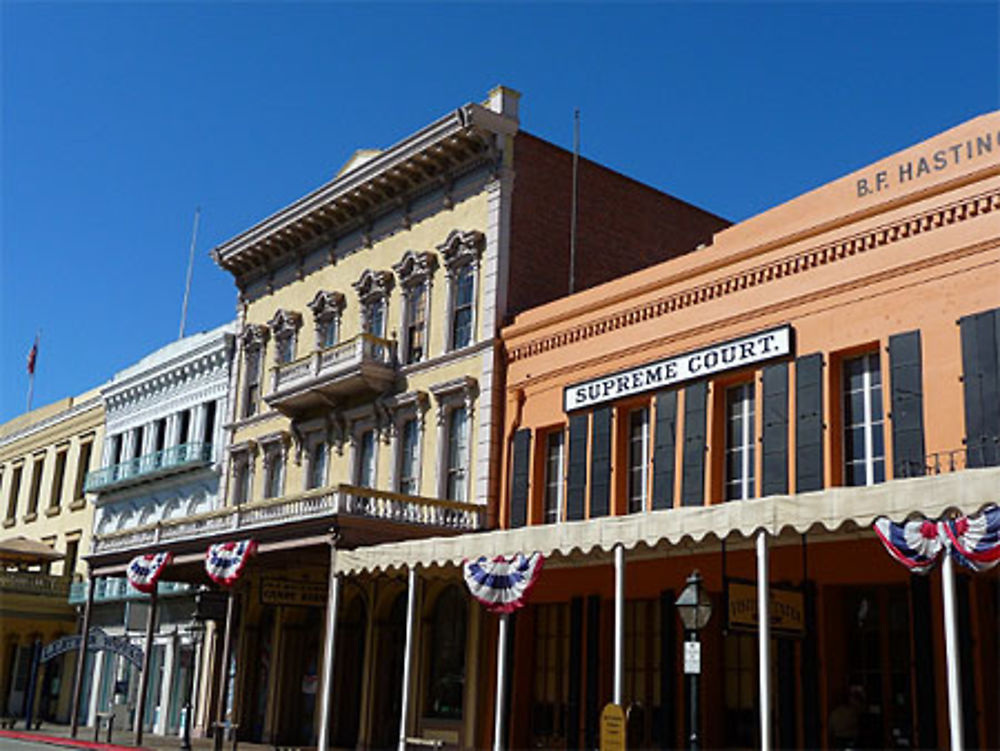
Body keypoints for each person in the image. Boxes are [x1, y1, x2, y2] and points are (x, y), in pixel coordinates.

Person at [829, 685, 865, 750]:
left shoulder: (834, 713)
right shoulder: (854, 711)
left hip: (840, 740)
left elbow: (831, 728)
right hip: (851, 739)